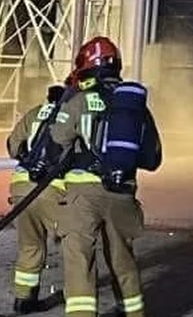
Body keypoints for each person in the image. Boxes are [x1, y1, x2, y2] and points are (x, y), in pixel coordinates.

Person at [49, 37, 163, 317]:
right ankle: (134, 312)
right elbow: (153, 158)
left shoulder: (78, 99)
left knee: (79, 258)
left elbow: (57, 142)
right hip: (121, 192)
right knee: (122, 258)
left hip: (82, 194)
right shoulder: (135, 107)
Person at [4, 82, 69, 314]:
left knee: (30, 246)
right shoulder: (72, 117)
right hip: (55, 191)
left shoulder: (34, 113)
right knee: (74, 246)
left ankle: (24, 300)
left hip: (21, 191)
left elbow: (12, 147)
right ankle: (79, 296)